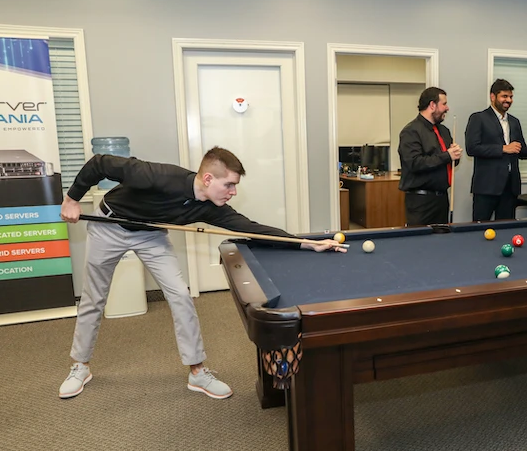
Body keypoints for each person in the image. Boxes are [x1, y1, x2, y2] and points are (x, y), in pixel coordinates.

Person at [58, 147, 344, 400]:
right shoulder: (155, 176)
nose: (233, 192)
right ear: (208, 179)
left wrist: (304, 242)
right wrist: (72, 198)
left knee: (181, 295)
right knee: (94, 297)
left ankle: (197, 371)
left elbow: (249, 228)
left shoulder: (210, 207)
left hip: (150, 234)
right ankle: (80, 366)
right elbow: (100, 162)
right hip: (109, 226)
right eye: (229, 185)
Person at [465, 79, 527, 221]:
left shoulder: (514, 121)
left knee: (506, 228)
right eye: (504, 96)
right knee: (479, 228)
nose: (508, 100)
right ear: (493, 97)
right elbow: (472, 148)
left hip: (510, 188)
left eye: (511, 97)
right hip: (486, 187)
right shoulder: (478, 118)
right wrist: (503, 148)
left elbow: (519, 151)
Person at [397, 87, 462, 225]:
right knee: (419, 243)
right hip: (420, 202)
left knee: (442, 243)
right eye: (444, 104)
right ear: (432, 105)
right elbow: (415, 163)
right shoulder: (410, 131)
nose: (447, 108)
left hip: (442, 199)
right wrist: (447, 156)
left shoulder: (444, 131)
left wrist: (455, 155)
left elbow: (449, 162)